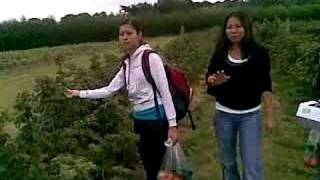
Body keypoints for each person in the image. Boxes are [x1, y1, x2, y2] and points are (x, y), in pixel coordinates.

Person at [64, 18, 179, 180]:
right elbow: (109, 89)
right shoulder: (127, 63)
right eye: (121, 34)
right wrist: (79, 93)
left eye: (129, 33)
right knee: (149, 166)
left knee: (162, 168)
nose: (125, 37)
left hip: (157, 121)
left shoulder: (150, 58)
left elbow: (165, 92)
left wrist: (173, 126)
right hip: (139, 122)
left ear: (139, 35)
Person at [205, 11, 273, 180]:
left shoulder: (259, 53)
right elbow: (210, 78)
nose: (233, 31)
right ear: (225, 31)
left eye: (238, 26)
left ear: (246, 28)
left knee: (252, 163)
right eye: (229, 27)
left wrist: (270, 117)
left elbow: (266, 86)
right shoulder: (220, 53)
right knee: (228, 162)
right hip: (224, 115)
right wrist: (213, 80)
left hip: (250, 115)